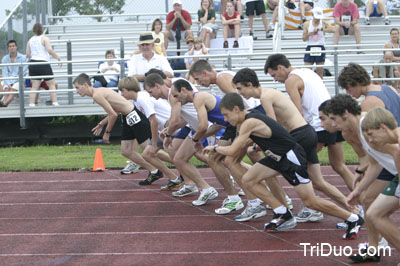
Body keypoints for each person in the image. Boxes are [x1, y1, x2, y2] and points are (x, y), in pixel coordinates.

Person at [204, 93, 363, 237]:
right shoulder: (248, 118)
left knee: (310, 201)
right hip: (276, 157)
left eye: (226, 115)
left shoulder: (249, 122)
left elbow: (232, 150)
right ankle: (282, 213)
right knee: (249, 179)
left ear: (237, 109)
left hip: (290, 158)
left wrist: (215, 147)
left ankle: (353, 218)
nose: (225, 119)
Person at [264, 54, 360, 224]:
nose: (276, 80)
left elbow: (297, 112)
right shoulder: (309, 72)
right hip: (331, 119)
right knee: (339, 166)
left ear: (281, 68)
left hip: (318, 126)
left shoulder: (291, 80)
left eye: (274, 75)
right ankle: (361, 204)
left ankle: (316, 208)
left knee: (307, 172)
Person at [327, 95, 393, 262]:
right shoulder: (353, 131)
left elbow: (396, 148)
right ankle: (373, 249)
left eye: (334, 118)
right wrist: (357, 189)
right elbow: (375, 164)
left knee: (376, 214)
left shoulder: (368, 125)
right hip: (393, 170)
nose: (332, 124)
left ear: (346, 113)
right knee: (370, 205)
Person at [73, 74, 163, 184]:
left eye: (77, 87)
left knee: (150, 151)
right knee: (126, 151)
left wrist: (107, 132)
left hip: (135, 117)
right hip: (128, 117)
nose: (76, 91)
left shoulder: (97, 95)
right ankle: (154, 171)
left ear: (86, 85)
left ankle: (177, 166)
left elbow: (113, 115)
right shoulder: (99, 92)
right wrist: (102, 123)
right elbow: (115, 111)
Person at [118, 76, 177, 186]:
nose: (121, 94)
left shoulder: (141, 99)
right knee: (148, 153)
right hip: (167, 127)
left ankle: (179, 176)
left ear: (129, 89)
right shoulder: (138, 100)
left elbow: (153, 120)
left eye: (123, 91)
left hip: (172, 127)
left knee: (152, 153)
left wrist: (154, 142)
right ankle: (175, 176)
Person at [357, 107, 400, 257]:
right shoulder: (395, 150)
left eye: (371, 135)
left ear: (383, 127)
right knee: (374, 213)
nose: (370, 141)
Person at [26, 22, 61, 106]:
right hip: (43, 63)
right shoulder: (45, 38)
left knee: (34, 86)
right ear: (42, 30)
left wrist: (34, 56)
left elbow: (27, 54)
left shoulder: (30, 40)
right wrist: (58, 58)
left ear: (33, 30)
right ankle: (55, 102)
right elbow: (49, 50)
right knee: (51, 84)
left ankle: (31, 104)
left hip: (33, 63)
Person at [302, 7, 335, 78]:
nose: (318, 19)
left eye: (319, 18)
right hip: (310, 46)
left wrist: (321, 29)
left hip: (320, 46)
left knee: (320, 72)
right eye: (316, 17)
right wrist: (310, 33)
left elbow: (333, 30)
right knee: (307, 71)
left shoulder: (324, 23)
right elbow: (304, 38)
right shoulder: (307, 24)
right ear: (312, 15)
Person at [0, 40, 27, 107]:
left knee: (12, 90)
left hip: (19, 80)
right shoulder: (5, 59)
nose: (12, 48)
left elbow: (23, 72)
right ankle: (4, 104)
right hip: (8, 80)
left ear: (16, 47)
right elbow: (5, 73)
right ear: (8, 48)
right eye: (10, 46)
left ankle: (4, 104)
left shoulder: (23, 58)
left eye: (13, 46)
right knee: (6, 90)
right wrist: (9, 84)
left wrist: (12, 82)